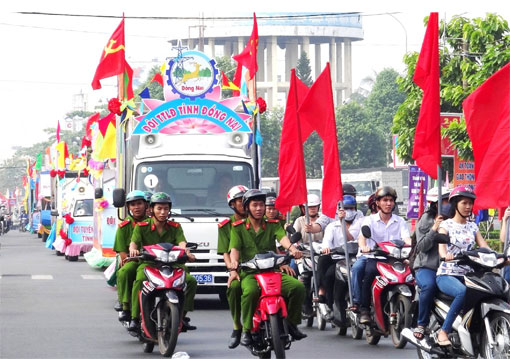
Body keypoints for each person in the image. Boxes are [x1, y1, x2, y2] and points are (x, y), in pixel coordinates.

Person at [228, 189, 307, 346]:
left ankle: (292, 323)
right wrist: (233, 267)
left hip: (272, 271)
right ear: (247, 207)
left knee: (298, 287)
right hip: (250, 273)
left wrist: (293, 250)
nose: (259, 209)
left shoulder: (273, 224)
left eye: (261, 205)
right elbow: (234, 250)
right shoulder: (238, 227)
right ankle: (246, 330)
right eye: (255, 205)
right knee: (249, 292)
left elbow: (282, 238)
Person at [127, 192, 198, 332]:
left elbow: (182, 243)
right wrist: (133, 251)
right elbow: (133, 244)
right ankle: (135, 318)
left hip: (173, 264)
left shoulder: (175, 226)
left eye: (166, 208)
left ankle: (182, 317)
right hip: (149, 265)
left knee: (190, 281)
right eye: (159, 208)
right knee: (140, 280)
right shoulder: (141, 226)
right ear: (151, 209)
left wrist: (187, 253)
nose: (163, 212)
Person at [435, 186, 490, 346]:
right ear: (455, 205)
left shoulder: (473, 226)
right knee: (462, 292)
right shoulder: (446, 225)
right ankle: (443, 331)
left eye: (470, 203)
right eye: (464, 203)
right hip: (447, 273)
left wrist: (499, 257)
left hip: (469, 273)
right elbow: (441, 248)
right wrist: (446, 255)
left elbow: (484, 247)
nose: (468, 207)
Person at [357, 186, 411, 324]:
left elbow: (407, 239)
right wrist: (364, 247)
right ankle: (364, 310)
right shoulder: (369, 220)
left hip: (394, 259)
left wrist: (411, 248)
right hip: (375, 258)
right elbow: (362, 237)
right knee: (369, 273)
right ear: (378, 203)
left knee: (412, 275)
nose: (388, 203)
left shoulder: (400, 221)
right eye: (385, 200)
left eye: (391, 200)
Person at [411, 187, 450, 340]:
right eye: (445, 201)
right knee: (429, 285)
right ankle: (421, 323)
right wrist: (434, 228)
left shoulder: (457, 219)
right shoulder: (425, 220)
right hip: (427, 266)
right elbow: (422, 247)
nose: (449, 204)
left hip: (452, 266)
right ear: (435, 204)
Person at [318, 196, 363, 316]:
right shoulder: (332, 227)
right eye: (345, 208)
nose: (348, 211)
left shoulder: (360, 224)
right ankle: (328, 299)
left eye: (351, 208)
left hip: (355, 258)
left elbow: (351, 238)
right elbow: (326, 243)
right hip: (337, 259)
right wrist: (327, 248)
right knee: (329, 274)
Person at [217, 185, 248, 349]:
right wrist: (232, 269)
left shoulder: (258, 220)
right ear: (232, 204)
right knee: (234, 288)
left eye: (245, 200)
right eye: (239, 201)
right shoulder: (226, 226)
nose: (243, 204)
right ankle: (237, 326)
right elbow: (225, 252)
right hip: (239, 268)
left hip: (262, 265)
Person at [114, 190, 149, 321]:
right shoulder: (124, 227)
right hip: (133, 261)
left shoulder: (153, 223)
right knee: (124, 271)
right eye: (132, 205)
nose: (136, 207)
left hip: (152, 261)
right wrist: (133, 256)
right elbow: (123, 255)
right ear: (128, 207)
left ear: (146, 205)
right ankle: (125, 306)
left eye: (139, 203)